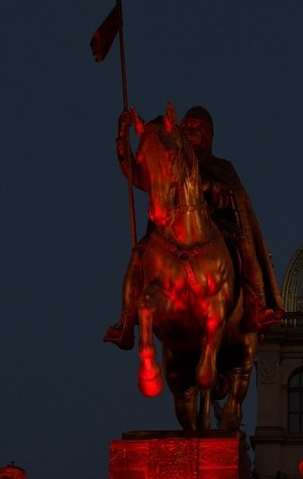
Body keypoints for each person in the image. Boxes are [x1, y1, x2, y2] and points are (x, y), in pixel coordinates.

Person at [104, 105, 284, 349]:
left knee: (244, 245)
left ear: (208, 136)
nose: (188, 130)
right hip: (168, 229)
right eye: (185, 126)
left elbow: (234, 194)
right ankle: (127, 322)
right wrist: (122, 137)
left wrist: (212, 188)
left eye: (195, 128)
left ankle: (258, 306)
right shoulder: (170, 160)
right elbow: (137, 174)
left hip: (217, 226)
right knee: (138, 253)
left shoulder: (222, 166)